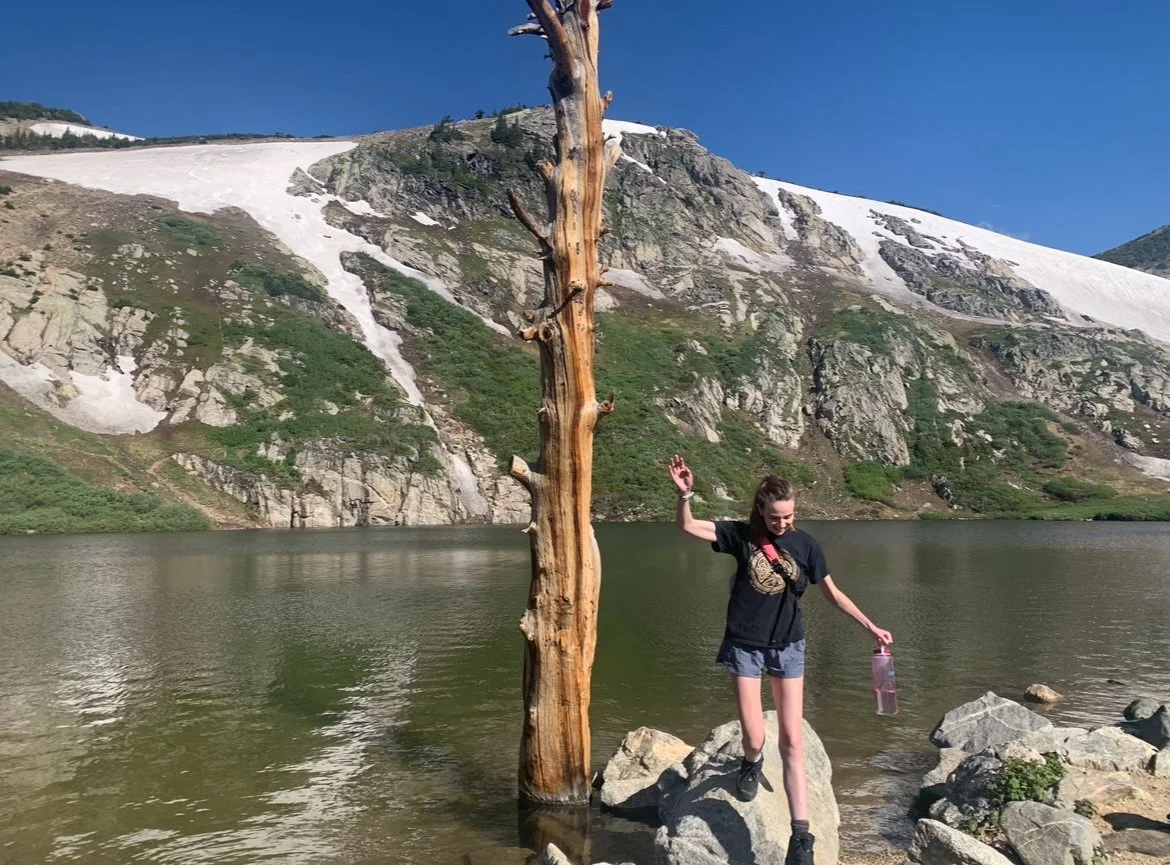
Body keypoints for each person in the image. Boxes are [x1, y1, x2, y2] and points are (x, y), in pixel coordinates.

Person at [668, 454, 893, 865]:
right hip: (745, 646)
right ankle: (749, 763)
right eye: (775, 518)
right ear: (760, 510)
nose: (782, 524)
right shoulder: (740, 535)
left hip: (789, 646)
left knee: (791, 741)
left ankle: (801, 836)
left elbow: (832, 593)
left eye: (788, 517)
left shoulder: (806, 545)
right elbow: (686, 527)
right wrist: (685, 495)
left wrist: (870, 625)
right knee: (755, 737)